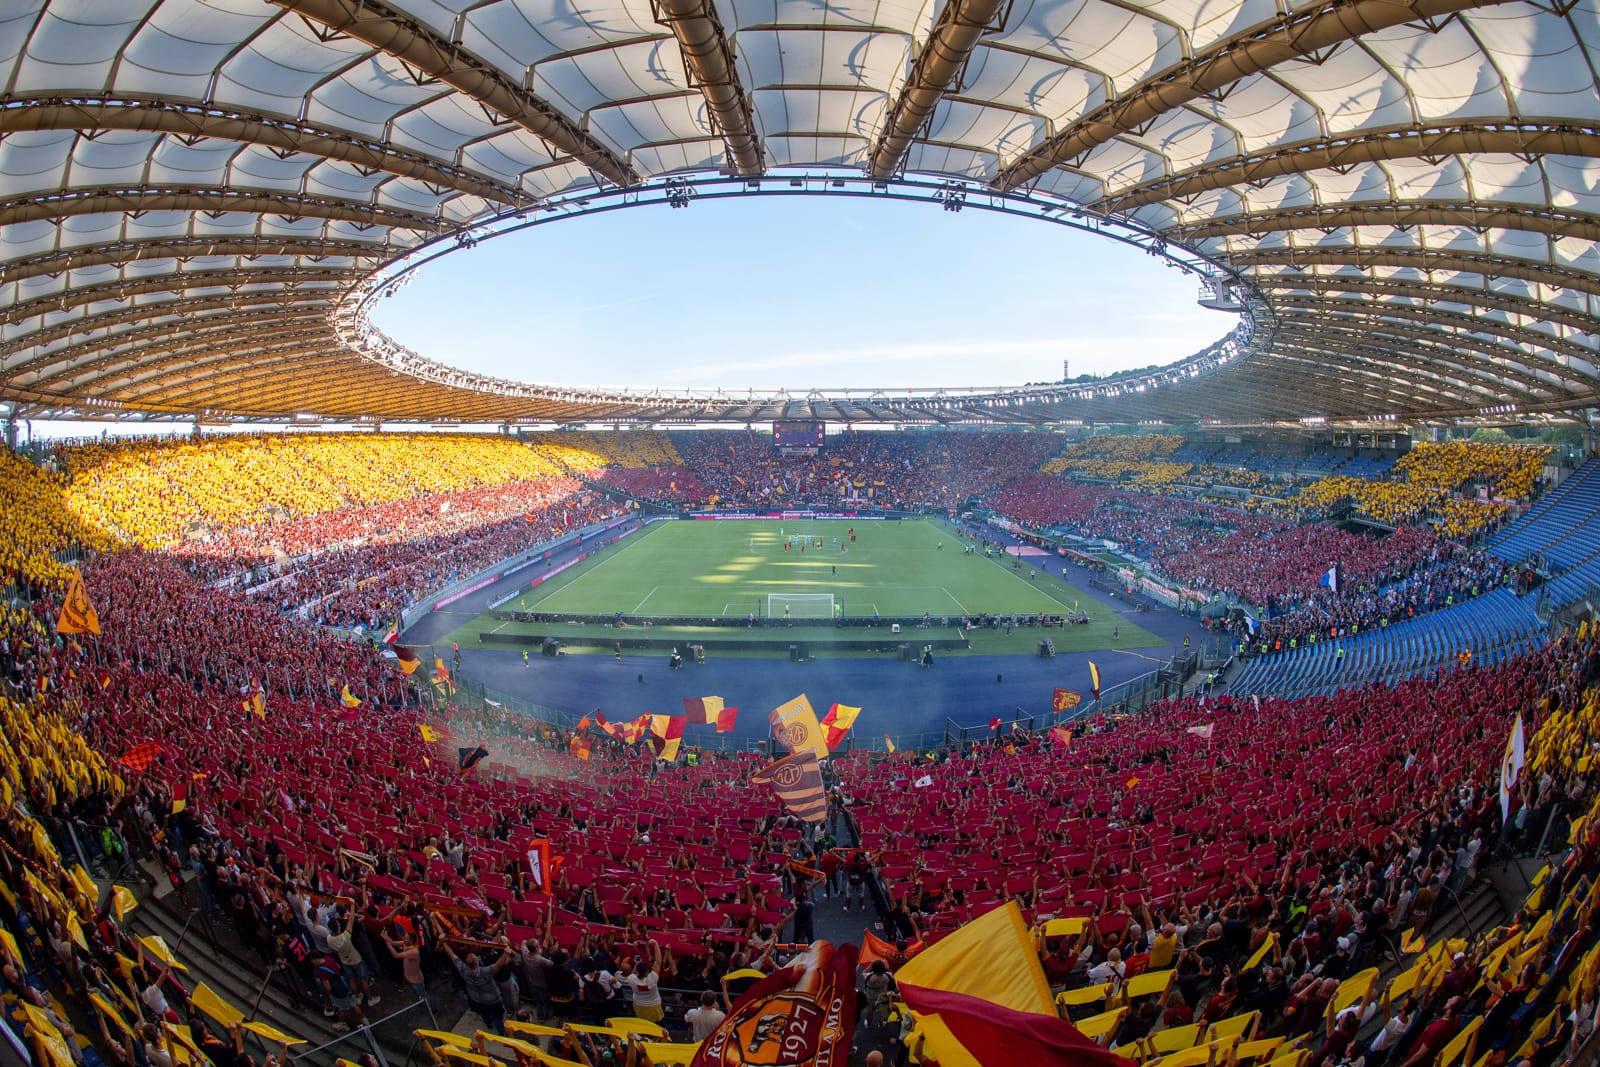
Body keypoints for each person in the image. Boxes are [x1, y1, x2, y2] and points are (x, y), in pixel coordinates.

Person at [443, 936, 514, 1034]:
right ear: (476, 962)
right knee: (498, 1017)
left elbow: (452, 955)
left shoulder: (463, 969)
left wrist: (443, 943)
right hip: (493, 1000)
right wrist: (506, 953)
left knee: (485, 1013)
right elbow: (499, 964)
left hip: (476, 998)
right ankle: (501, 1032)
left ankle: (488, 1023)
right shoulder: (485, 972)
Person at [624, 940, 665, 1022]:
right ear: (647, 971)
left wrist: (636, 964)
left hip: (639, 1005)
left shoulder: (632, 980)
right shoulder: (652, 979)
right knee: (657, 1025)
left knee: (643, 1024)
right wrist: (656, 944)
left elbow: (632, 973)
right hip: (653, 1006)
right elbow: (658, 962)